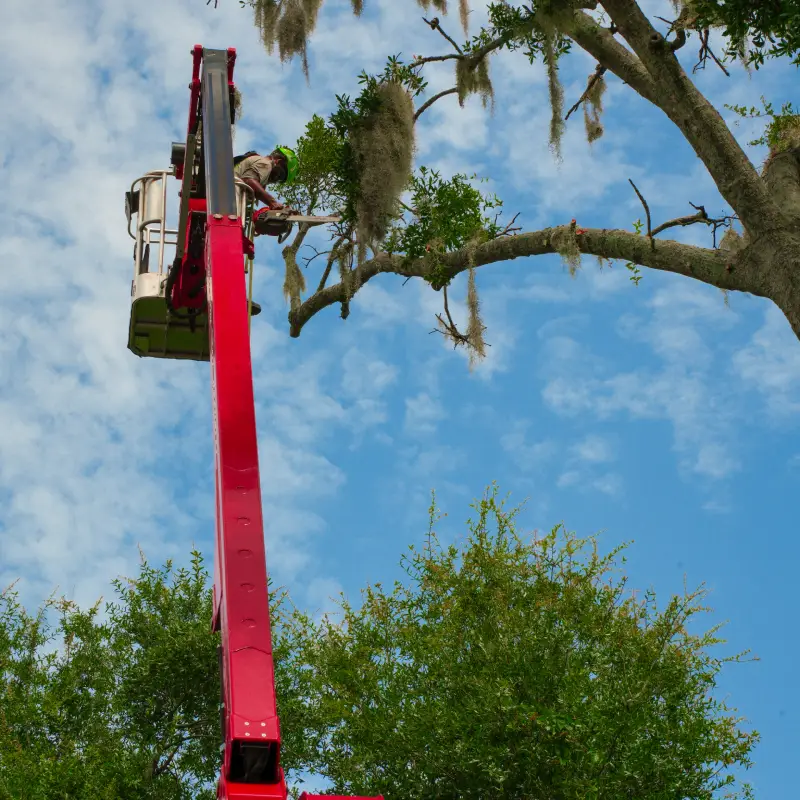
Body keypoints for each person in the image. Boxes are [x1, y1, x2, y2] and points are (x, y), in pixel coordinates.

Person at [233, 146, 298, 210]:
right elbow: (249, 181)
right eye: (281, 175)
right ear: (278, 161)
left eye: (280, 180)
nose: (276, 180)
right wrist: (273, 202)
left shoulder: (258, 161)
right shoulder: (266, 164)